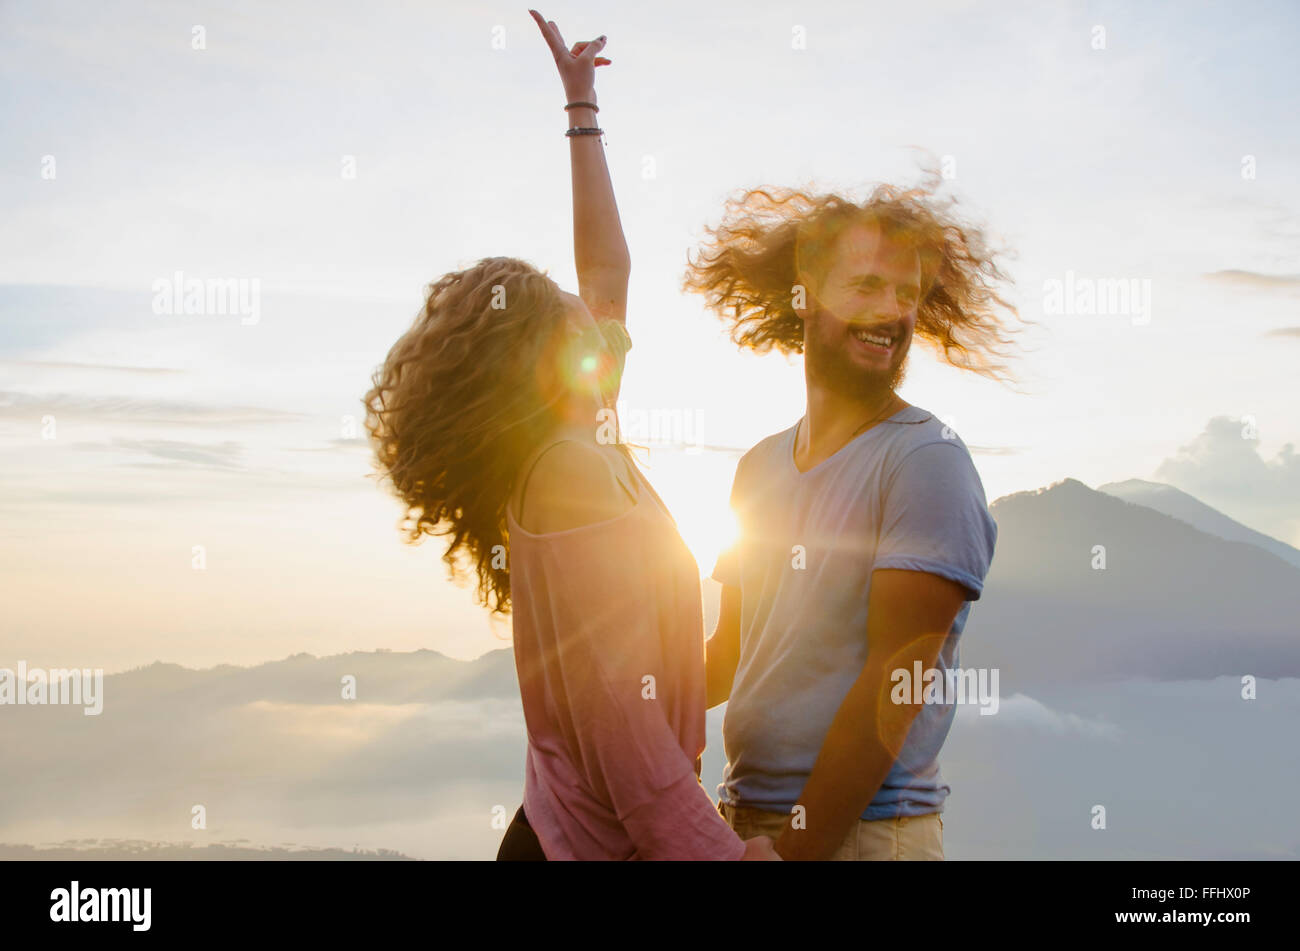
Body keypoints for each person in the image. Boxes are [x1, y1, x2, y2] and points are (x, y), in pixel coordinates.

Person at [362, 10, 778, 861]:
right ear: (540, 363)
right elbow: (623, 727)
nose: (591, 310)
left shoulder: (587, 432)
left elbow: (608, 272)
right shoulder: (567, 474)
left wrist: (581, 109)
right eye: (566, 310)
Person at [685, 182, 1025, 860]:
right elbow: (731, 653)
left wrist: (795, 851)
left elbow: (893, 684)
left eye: (907, 294)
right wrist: (625, 734)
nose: (893, 313)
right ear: (804, 292)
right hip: (744, 821)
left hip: (862, 838)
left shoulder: (926, 460)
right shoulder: (757, 467)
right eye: (867, 286)